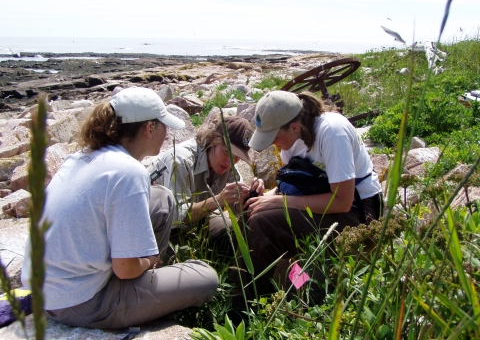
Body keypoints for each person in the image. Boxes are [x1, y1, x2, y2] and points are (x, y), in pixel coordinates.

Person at [21, 87, 218, 329]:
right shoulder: (128, 172)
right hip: (79, 302)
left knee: (162, 198)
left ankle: (145, 290)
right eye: (163, 125)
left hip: (45, 290)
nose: (167, 133)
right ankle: (144, 294)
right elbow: (125, 269)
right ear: (149, 128)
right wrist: (149, 261)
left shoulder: (82, 157)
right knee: (206, 277)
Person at [238, 90, 383, 298]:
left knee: (263, 223)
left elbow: (342, 201)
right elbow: (295, 185)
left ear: (294, 127)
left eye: (274, 137)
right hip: (323, 200)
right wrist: (265, 196)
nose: (272, 143)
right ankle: (297, 283)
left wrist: (281, 202)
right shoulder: (291, 139)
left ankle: (254, 305)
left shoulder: (332, 132)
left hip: (358, 211)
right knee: (251, 212)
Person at [148, 115, 264, 249]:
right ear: (212, 140)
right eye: (226, 152)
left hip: (198, 223)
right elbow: (176, 217)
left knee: (239, 234)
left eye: (237, 158)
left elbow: (237, 210)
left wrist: (249, 199)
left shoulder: (228, 165)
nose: (229, 163)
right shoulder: (180, 161)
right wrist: (219, 200)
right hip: (161, 229)